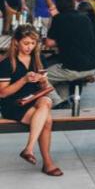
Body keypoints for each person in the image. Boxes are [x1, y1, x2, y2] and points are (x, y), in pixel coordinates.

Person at [0, 24, 61, 176]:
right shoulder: (7, 63)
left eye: (33, 44)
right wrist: (24, 80)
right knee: (46, 120)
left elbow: (45, 85)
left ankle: (29, 149)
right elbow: (3, 93)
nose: (29, 47)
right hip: (14, 104)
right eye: (26, 43)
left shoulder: (39, 59)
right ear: (16, 42)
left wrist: (42, 80)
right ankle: (47, 163)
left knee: (46, 101)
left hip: (34, 99)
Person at [44, 0, 95, 105]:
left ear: (58, 7)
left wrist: (53, 18)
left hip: (73, 68)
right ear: (73, 4)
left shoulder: (59, 19)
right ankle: (64, 99)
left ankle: (57, 102)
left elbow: (49, 43)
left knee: (42, 78)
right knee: (60, 72)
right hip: (92, 66)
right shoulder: (85, 18)